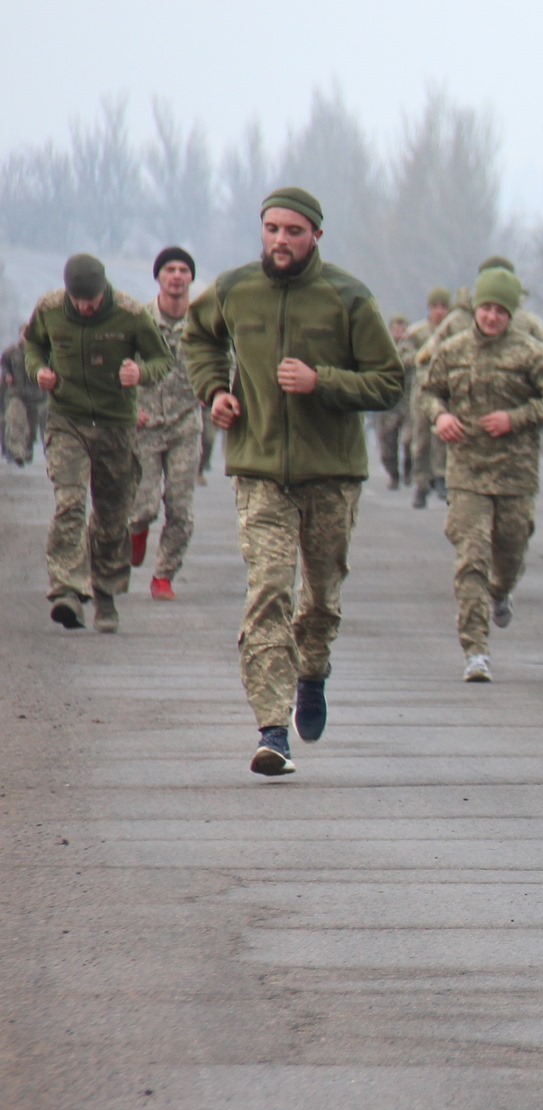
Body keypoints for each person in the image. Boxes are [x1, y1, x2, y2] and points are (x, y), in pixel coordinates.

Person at [183, 186, 405, 777]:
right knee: (269, 589)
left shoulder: (348, 298)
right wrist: (216, 392)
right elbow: (198, 338)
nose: (281, 240)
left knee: (321, 599)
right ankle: (272, 727)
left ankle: (312, 672)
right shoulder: (234, 290)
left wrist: (322, 381)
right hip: (259, 470)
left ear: (316, 237)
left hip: (331, 474)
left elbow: (390, 382)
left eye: (293, 231)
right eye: (272, 229)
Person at [424, 267, 543, 682]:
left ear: (511, 314)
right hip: (467, 471)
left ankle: (500, 594)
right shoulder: (452, 350)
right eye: (485, 308)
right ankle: (475, 650)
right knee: (472, 557)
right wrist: (440, 417)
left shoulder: (531, 354)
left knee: (510, 552)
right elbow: (429, 391)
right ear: (475, 310)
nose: (491, 317)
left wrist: (516, 418)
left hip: (514, 475)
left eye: (500, 311)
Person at [24, 254, 172, 632]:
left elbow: (162, 359)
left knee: (111, 515)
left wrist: (140, 372)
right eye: (79, 300)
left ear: (104, 289)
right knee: (70, 502)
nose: (85, 306)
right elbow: (33, 346)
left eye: (91, 299)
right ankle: (66, 590)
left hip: (114, 425)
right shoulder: (50, 308)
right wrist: (38, 370)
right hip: (67, 418)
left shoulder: (131, 314)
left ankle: (105, 593)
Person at [127, 247, 204, 601]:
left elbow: (227, 359)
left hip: (186, 423)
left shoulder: (204, 322)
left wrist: (217, 390)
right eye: (170, 269)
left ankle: (164, 575)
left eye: (183, 270)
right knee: (143, 506)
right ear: (158, 277)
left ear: (190, 278)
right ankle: (137, 531)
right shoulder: (138, 320)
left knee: (181, 506)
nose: (177, 276)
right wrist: (129, 408)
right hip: (145, 423)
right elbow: (119, 367)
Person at [404, 289, 451, 507]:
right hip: (422, 390)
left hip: (446, 390)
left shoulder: (453, 331)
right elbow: (402, 356)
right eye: (436, 306)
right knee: (421, 439)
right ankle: (421, 484)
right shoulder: (417, 332)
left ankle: (441, 476)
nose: (440, 311)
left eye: (444, 306)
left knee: (444, 436)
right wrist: (421, 355)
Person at [372, 313, 414, 490]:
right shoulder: (381, 347)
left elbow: (412, 360)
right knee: (387, 444)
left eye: (402, 328)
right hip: (388, 403)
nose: (399, 332)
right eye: (396, 329)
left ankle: (409, 469)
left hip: (407, 402)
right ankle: (393, 475)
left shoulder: (412, 347)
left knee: (409, 441)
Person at [3, 325, 46, 466]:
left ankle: (26, 449)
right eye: (24, 334)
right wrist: (8, 374)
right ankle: (17, 452)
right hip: (17, 394)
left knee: (31, 427)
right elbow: (4, 363)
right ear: (20, 335)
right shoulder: (12, 352)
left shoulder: (42, 352)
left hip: (36, 396)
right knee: (16, 421)